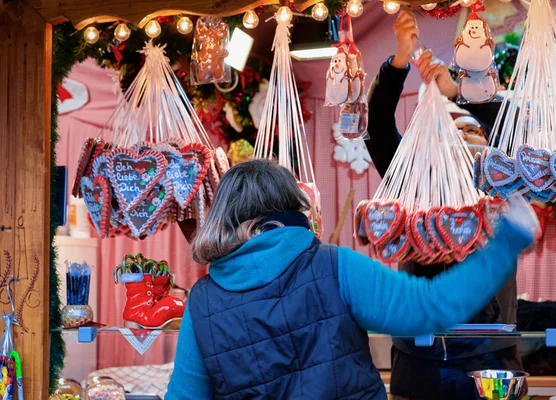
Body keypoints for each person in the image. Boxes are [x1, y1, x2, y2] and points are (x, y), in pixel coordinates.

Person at [165, 159, 537, 400]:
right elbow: (430, 308)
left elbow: (186, 395)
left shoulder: (202, 301)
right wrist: (506, 241)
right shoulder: (334, 266)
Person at [366, 10, 525, 400]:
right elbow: (378, 126)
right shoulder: (412, 179)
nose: (450, 134)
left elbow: (505, 125)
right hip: (418, 355)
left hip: (489, 352)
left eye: (463, 126)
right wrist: (400, 60)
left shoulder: (491, 175)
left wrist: (454, 92)